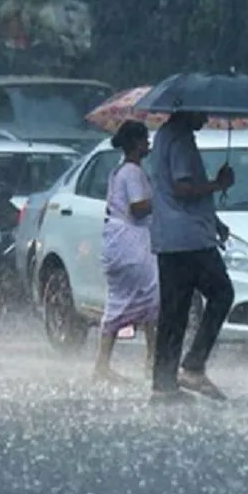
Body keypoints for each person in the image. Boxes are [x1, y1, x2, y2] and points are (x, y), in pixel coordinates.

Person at [149, 110, 236, 403]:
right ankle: (194, 365)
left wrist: (216, 222)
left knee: (174, 312)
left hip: (169, 238)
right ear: (188, 109)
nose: (207, 116)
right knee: (222, 293)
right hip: (190, 239)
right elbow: (183, 188)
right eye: (203, 111)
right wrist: (218, 185)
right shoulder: (182, 139)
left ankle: (163, 383)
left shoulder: (163, 135)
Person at [96, 120, 159, 383]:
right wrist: (162, 199)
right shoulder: (132, 172)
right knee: (153, 298)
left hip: (121, 242)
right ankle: (151, 361)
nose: (148, 144)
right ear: (135, 144)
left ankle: (106, 364)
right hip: (130, 244)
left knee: (125, 301)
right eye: (145, 140)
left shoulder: (119, 171)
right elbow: (138, 208)